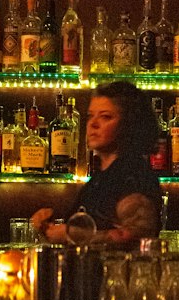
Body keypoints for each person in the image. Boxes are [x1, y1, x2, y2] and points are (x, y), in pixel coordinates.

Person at [30, 80, 161, 245]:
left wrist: (72, 235)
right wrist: (50, 228)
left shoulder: (132, 174)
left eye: (106, 116)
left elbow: (139, 237)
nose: (93, 124)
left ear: (130, 123)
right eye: (91, 116)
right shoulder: (101, 177)